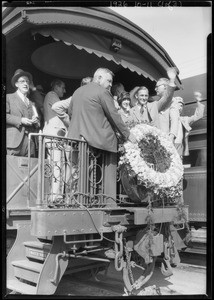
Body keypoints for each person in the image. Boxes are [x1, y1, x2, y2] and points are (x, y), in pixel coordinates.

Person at [67, 68, 137, 205]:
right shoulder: (102, 92)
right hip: (100, 140)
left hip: (78, 139)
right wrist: (128, 134)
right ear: (98, 78)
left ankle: (82, 200)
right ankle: (108, 203)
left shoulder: (77, 92)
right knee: (105, 177)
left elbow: (70, 113)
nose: (111, 85)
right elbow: (114, 115)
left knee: (82, 173)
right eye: (109, 81)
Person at [6, 69, 40, 157]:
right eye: (22, 81)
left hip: (30, 143)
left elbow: (38, 123)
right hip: (14, 143)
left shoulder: (31, 103)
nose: (25, 84)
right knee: (12, 168)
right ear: (16, 84)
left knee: (29, 169)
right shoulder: (8, 98)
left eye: (27, 81)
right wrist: (20, 120)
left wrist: (36, 121)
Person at [43, 79, 67, 201]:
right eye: (63, 88)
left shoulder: (51, 96)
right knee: (56, 165)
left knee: (57, 165)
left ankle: (56, 195)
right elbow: (62, 108)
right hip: (53, 136)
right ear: (56, 87)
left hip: (55, 137)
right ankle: (54, 196)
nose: (64, 90)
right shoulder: (52, 95)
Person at [172, 92, 205, 158]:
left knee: (178, 164)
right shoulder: (167, 118)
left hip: (180, 145)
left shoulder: (184, 120)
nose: (179, 107)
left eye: (181, 106)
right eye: (177, 105)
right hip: (170, 144)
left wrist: (198, 101)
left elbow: (198, 116)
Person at [155, 70, 180, 143]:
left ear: (165, 87)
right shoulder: (156, 103)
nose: (155, 89)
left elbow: (174, 120)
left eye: (157, 87)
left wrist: (171, 136)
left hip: (165, 140)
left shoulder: (173, 101)